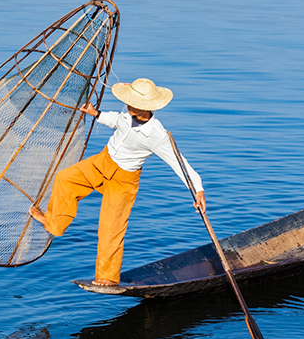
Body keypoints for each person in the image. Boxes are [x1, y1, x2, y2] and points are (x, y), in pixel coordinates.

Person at [28, 78, 205, 286]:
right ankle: (54, 223)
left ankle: (108, 277)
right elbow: (117, 121)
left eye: (132, 103)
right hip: (103, 161)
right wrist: (97, 114)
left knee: (111, 227)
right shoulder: (127, 110)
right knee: (65, 179)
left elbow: (179, 163)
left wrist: (198, 190)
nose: (127, 104)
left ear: (145, 108)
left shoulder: (157, 135)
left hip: (124, 180)